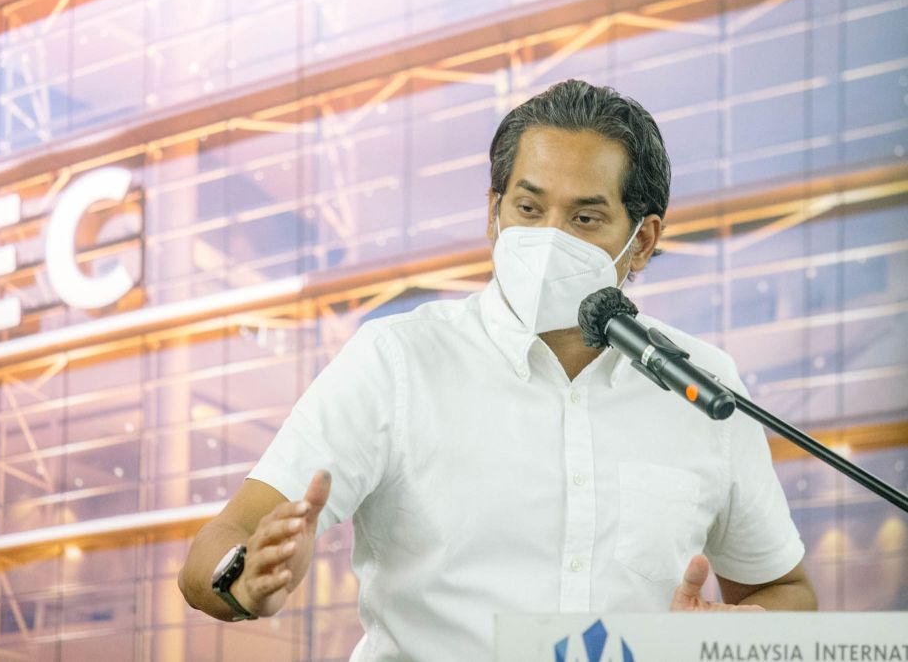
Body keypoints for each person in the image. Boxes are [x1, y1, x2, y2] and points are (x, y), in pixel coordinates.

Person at [178, 79, 817, 660]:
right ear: (493, 211)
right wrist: (244, 578)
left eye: (585, 219)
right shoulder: (396, 361)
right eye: (529, 209)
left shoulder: (701, 383)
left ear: (642, 241)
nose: (547, 239)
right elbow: (221, 544)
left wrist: (739, 638)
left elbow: (785, 589)